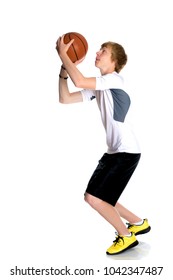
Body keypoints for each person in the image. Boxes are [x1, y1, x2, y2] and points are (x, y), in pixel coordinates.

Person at [56, 35, 151, 255]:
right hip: (116, 151)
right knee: (101, 196)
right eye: (99, 49)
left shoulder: (114, 80)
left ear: (114, 61)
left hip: (126, 151)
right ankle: (138, 223)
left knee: (94, 198)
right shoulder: (101, 87)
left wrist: (64, 54)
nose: (97, 53)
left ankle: (126, 237)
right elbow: (65, 98)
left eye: (103, 51)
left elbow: (79, 81)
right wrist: (63, 71)